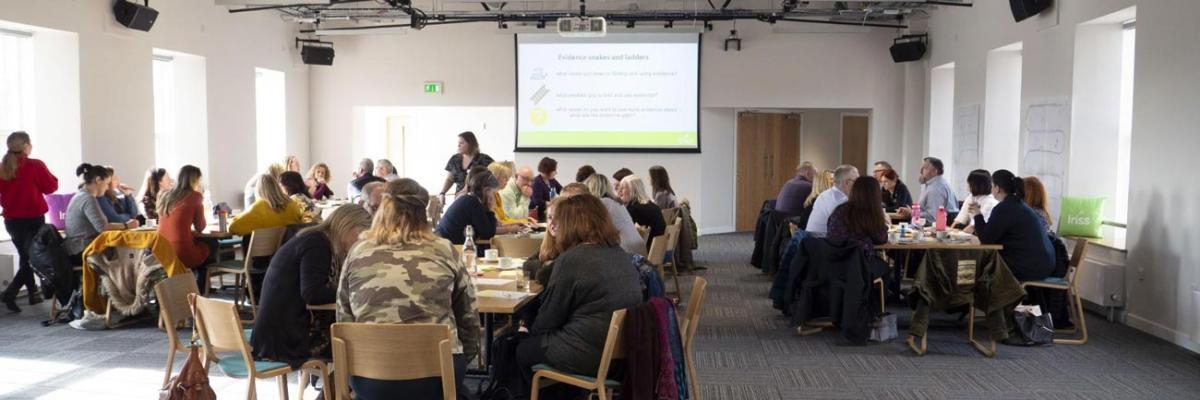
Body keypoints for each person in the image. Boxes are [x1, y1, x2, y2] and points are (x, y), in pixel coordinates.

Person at [338, 178, 480, 398]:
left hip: (370, 376)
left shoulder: (358, 252)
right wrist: (463, 360)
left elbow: (344, 317)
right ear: (422, 213)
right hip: (435, 375)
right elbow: (469, 318)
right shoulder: (443, 250)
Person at [515, 194, 643, 385]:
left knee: (520, 348)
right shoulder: (618, 253)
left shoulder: (572, 259)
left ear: (570, 224)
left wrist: (524, 328)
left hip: (590, 356)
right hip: (623, 356)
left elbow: (546, 322)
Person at [253, 204, 371, 367]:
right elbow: (313, 293)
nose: (359, 243)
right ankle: (334, 389)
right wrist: (353, 290)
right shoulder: (317, 244)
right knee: (359, 341)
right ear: (346, 225)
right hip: (285, 339)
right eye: (359, 235)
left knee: (355, 336)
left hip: (280, 328)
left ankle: (330, 389)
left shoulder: (317, 238)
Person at [0, 132, 57, 313]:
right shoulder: (34, 165)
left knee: (26, 256)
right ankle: (10, 292)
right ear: (26, 146)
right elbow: (50, 187)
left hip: (12, 221)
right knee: (32, 258)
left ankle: (33, 293)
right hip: (33, 219)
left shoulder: (2, 168)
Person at [972, 170, 1055, 282]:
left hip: (1029, 267)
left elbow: (986, 239)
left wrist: (977, 214)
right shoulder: (1019, 205)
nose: (991, 190)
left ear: (997, 188)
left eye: (992, 186)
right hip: (1044, 265)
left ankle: (976, 298)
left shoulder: (1005, 208)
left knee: (976, 266)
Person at [156, 165, 215, 290]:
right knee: (212, 245)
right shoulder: (195, 196)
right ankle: (200, 289)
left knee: (202, 246)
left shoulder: (165, 195)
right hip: (181, 251)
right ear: (195, 180)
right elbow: (200, 227)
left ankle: (187, 285)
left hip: (161, 251)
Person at [65, 163, 139, 260]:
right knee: (131, 254)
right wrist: (126, 226)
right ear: (98, 180)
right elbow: (103, 227)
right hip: (83, 249)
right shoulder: (88, 199)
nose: (108, 188)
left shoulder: (81, 195)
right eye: (107, 183)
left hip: (77, 248)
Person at [583, 174, 646, 256]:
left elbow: (592, 232)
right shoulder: (616, 202)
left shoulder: (602, 203)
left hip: (628, 256)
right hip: (639, 252)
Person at [434, 169, 499, 248]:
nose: (494, 196)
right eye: (493, 193)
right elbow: (488, 233)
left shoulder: (469, 199)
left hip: (445, 243)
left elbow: (484, 229)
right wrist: (490, 209)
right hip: (449, 248)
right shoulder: (473, 203)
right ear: (486, 190)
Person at [827, 176, 889, 255]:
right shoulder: (870, 213)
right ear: (876, 195)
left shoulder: (839, 209)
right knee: (884, 266)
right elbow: (881, 239)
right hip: (858, 262)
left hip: (833, 260)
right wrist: (884, 223)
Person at [229, 174, 305, 236]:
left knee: (247, 237)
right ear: (277, 187)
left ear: (258, 189)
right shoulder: (291, 203)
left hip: (261, 253)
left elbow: (233, 228)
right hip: (288, 250)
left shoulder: (259, 207)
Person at [804, 165, 858, 237]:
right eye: (857, 181)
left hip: (812, 242)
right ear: (847, 182)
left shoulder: (824, 194)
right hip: (824, 243)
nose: (859, 185)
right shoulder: (841, 201)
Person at [439, 131, 494, 198]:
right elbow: (449, 179)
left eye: (461, 143)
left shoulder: (484, 159)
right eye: (458, 143)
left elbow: (494, 178)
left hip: (479, 198)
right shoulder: (455, 159)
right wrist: (442, 193)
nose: (458, 145)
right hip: (459, 198)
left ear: (470, 144)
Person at [904, 157, 959, 223]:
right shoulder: (935, 184)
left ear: (935, 171)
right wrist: (912, 211)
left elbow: (932, 217)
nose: (920, 171)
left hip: (935, 228)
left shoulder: (936, 188)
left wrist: (912, 213)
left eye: (924, 168)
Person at [618, 175, 666, 247]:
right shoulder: (653, 206)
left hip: (645, 253)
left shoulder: (634, 209)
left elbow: (622, 235)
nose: (619, 191)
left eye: (623, 187)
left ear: (633, 190)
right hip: (659, 251)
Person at [530, 157, 563, 222]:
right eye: (555, 170)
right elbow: (538, 202)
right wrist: (553, 204)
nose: (556, 172)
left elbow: (562, 190)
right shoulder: (537, 182)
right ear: (548, 170)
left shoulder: (552, 180)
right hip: (540, 216)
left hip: (549, 212)